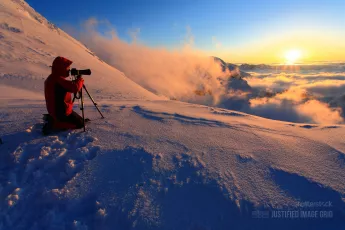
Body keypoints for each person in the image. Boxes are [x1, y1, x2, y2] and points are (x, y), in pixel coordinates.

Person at [43, 56, 85, 134]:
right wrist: (80, 80)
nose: (68, 70)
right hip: (61, 112)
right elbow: (74, 88)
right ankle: (54, 124)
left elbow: (66, 86)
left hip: (55, 110)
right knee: (80, 124)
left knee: (80, 120)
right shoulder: (58, 80)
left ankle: (52, 118)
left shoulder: (52, 78)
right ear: (61, 68)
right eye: (67, 68)